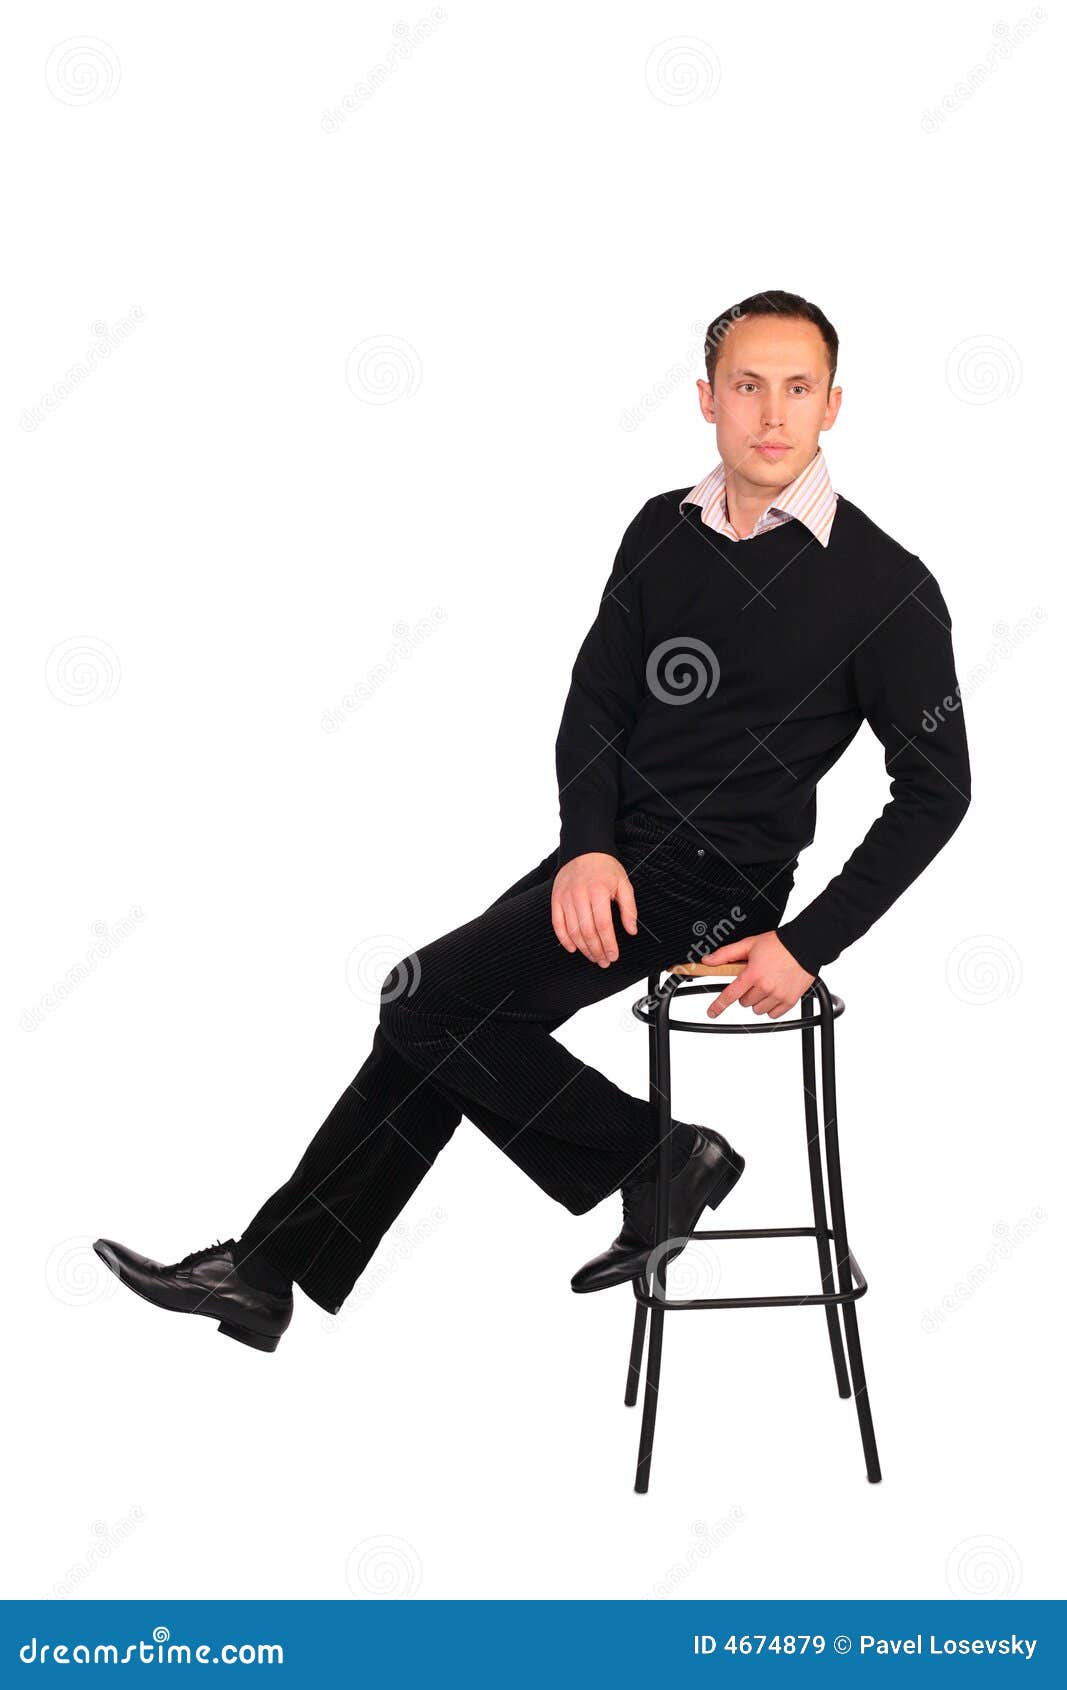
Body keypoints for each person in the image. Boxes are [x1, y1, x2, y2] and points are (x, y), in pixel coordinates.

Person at [93, 289, 972, 1352]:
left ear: (832, 405)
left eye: (797, 388)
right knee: (431, 1019)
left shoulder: (884, 584)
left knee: (425, 1001)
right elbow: (594, 704)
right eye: (747, 386)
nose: (771, 412)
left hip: (716, 880)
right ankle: (270, 1271)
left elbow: (936, 791)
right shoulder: (661, 529)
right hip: (611, 853)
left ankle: (656, 1159)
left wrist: (806, 942)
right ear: (706, 399)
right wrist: (587, 846)